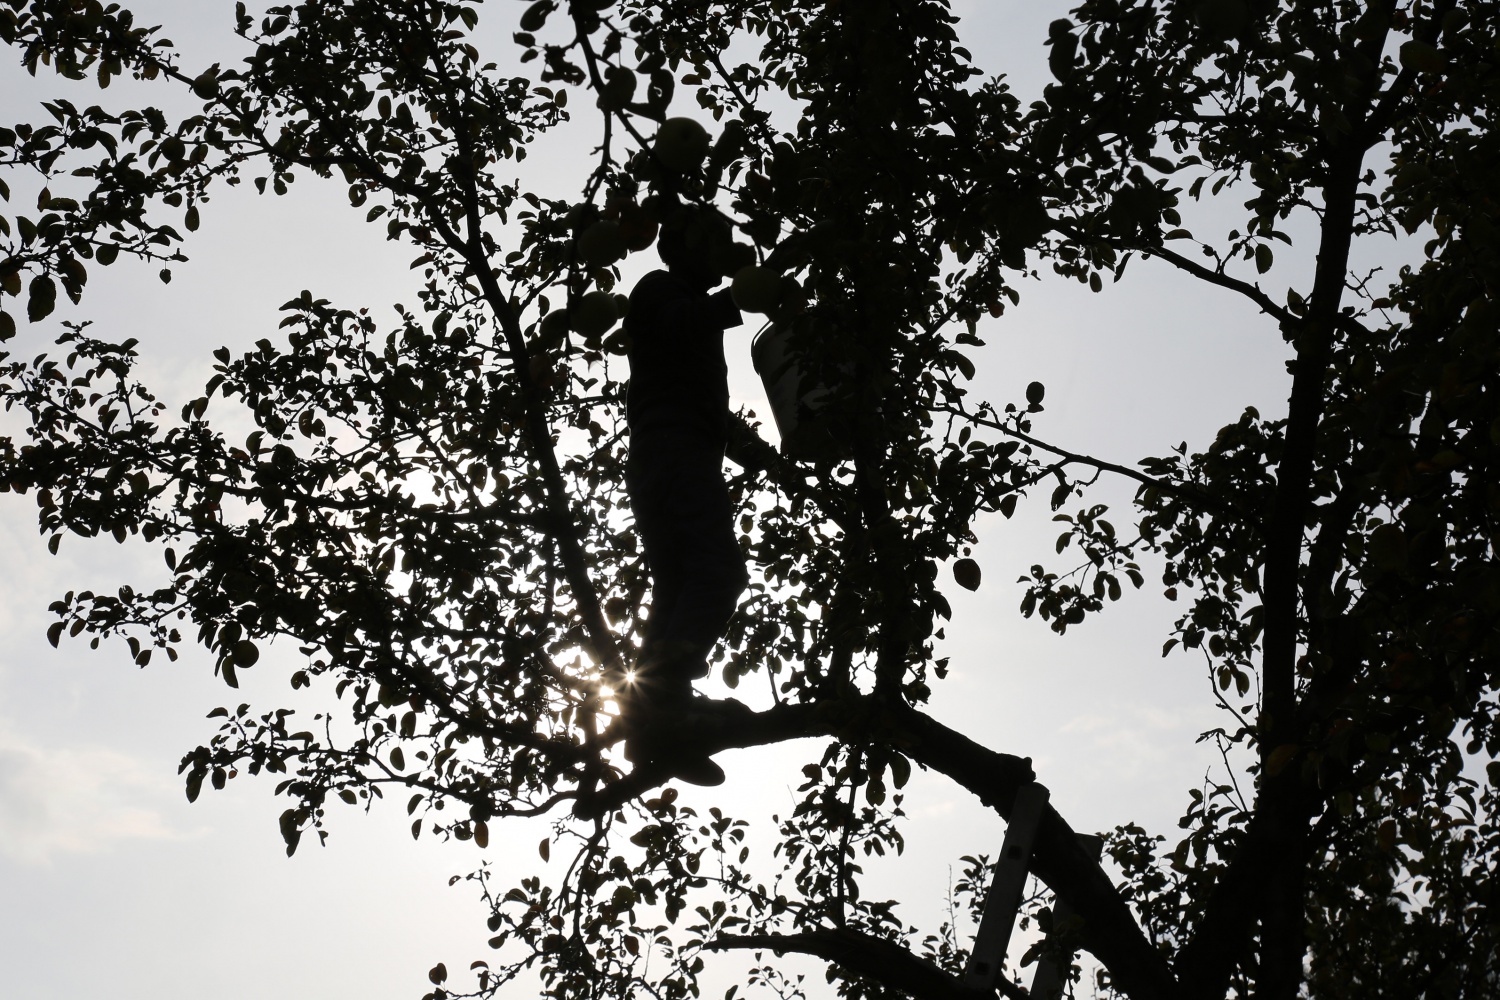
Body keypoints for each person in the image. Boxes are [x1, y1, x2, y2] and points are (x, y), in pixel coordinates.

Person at [619, 210, 749, 785]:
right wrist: (740, 296)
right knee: (716, 571)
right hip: (673, 451)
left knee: (676, 583)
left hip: (667, 454)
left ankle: (653, 726)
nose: (726, 255)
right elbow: (681, 323)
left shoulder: (682, 308)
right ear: (690, 242)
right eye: (718, 244)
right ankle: (669, 694)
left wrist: (767, 458)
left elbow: (703, 399)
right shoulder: (658, 289)